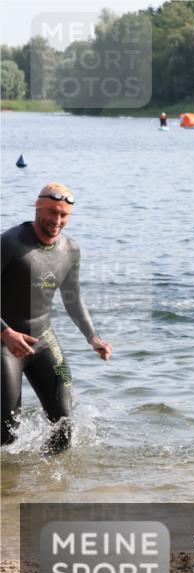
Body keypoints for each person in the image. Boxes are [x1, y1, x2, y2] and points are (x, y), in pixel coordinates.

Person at [1, 183, 113, 454]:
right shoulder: (10, 243)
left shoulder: (70, 250)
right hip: (4, 344)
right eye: (52, 212)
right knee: (6, 433)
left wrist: (92, 336)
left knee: (64, 425)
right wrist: (6, 332)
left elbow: (73, 297)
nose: (57, 220)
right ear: (38, 208)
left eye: (64, 215)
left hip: (44, 341)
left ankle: (49, 478)